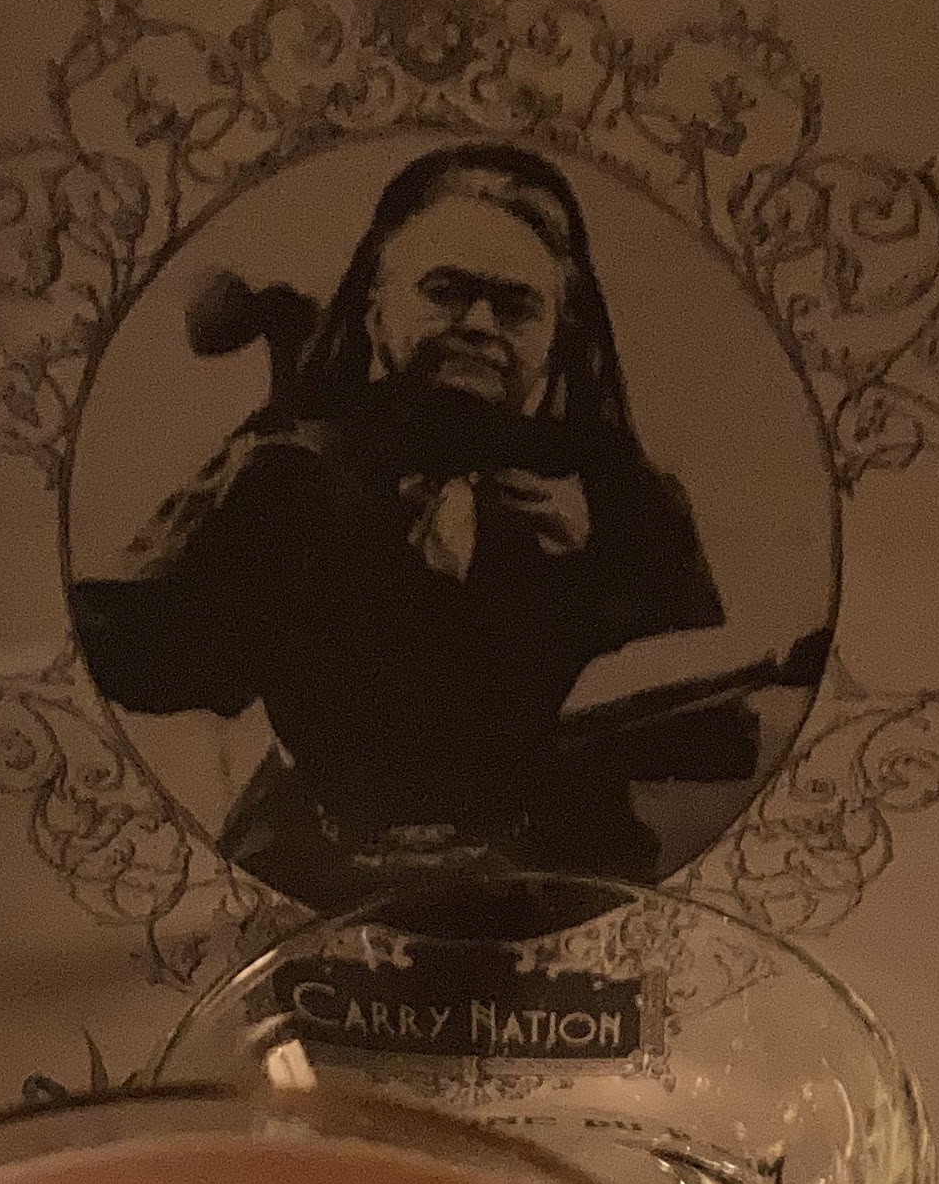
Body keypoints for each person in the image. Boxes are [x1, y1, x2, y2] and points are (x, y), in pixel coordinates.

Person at [74, 142, 760, 906]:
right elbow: (145, 662)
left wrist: (594, 575)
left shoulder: (623, 500)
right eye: (445, 292)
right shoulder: (289, 473)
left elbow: (712, 732)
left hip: (561, 883)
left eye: (515, 307)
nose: (478, 325)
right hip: (321, 882)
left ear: (560, 333)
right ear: (376, 307)